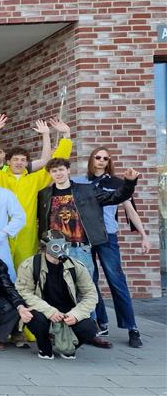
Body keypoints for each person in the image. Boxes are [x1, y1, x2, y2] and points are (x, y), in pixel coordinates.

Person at [37, 158, 142, 347]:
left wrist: (129, 182)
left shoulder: (87, 190)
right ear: (50, 174)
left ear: (68, 170)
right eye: (54, 171)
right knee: (55, 288)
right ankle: (58, 331)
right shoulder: (45, 194)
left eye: (61, 170)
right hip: (55, 250)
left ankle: (90, 331)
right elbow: (42, 220)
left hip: (80, 248)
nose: (58, 174)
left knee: (85, 289)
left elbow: (115, 197)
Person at [74, 147, 152, 340]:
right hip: (85, 236)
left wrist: (144, 235)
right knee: (89, 280)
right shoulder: (79, 182)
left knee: (116, 280)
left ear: (109, 161)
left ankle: (131, 327)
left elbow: (130, 211)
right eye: (98, 157)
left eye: (105, 158)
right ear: (92, 159)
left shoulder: (117, 183)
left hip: (108, 236)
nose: (101, 160)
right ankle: (101, 322)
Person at [0, 115, 73, 268]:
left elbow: (56, 163)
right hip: (1, 231)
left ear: (27, 163)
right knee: (0, 270)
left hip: (27, 233)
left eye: (22, 160)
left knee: (25, 269)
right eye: (15, 159)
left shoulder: (34, 180)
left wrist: (66, 136)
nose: (19, 162)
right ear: (8, 162)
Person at [15, 230, 100, 359]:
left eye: (64, 246)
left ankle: (68, 347)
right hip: (43, 310)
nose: (61, 250)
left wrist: (76, 314)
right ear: (45, 248)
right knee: (35, 319)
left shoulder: (76, 267)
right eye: (56, 247)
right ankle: (44, 347)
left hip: (68, 312)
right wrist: (49, 311)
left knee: (90, 329)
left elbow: (90, 294)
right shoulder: (30, 265)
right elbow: (24, 292)